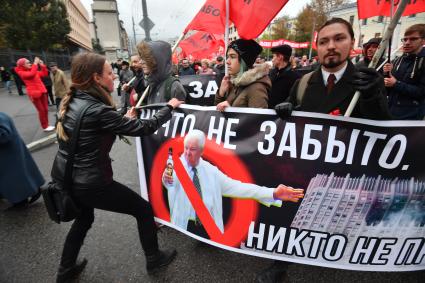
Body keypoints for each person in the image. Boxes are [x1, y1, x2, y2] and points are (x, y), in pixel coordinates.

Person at [260, 18, 392, 283]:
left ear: (351, 43)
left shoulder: (366, 80)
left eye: (339, 38)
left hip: (345, 171)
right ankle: (280, 262)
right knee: (292, 212)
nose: (331, 46)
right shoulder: (304, 81)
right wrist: (286, 111)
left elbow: (383, 130)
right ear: (316, 47)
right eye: (324, 41)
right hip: (305, 168)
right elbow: (292, 111)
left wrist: (371, 96)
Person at [51, 52, 183, 282]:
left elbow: (96, 128)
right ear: (96, 78)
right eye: (110, 73)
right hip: (92, 182)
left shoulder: (74, 100)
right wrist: (169, 108)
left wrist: (123, 118)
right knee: (142, 209)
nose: (115, 78)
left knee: (84, 219)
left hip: (68, 177)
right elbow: (145, 127)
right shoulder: (97, 109)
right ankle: (154, 259)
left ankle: (65, 270)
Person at [162, 129, 304, 237]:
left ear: (201, 151)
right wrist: (166, 179)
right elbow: (169, 183)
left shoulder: (211, 172)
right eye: (186, 148)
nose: (187, 153)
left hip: (206, 226)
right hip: (183, 223)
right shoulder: (175, 165)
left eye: (192, 149)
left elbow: (239, 188)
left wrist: (273, 193)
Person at [0, 112, 42, 210]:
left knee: (15, 178)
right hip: (8, 153)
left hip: (8, 155)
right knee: (20, 175)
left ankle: (21, 201)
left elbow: (5, 135)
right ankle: (32, 190)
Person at [215, 39, 271, 111]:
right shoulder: (233, 82)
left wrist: (232, 111)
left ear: (244, 61)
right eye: (227, 57)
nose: (227, 62)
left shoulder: (256, 88)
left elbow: (258, 120)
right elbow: (217, 115)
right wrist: (221, 94)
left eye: (232, 57)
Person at [383, 24, 425, 120]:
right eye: (405, 39)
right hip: (391, 112)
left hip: (410, 117)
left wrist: (395, 83)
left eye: (413, 39)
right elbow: (389, 89)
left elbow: (421, 92)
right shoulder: (398, 60)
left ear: (423, 41)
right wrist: (386, 75)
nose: (407, 43)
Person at [137, 40, 187, 105]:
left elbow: (180, 114)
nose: (140, 62)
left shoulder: (174, 86)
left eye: (145, 59)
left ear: (157, 60)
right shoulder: (152, 83)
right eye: (141, 58)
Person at [14, 57, 55, 131]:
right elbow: (31, 74)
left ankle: (47, 125)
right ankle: (45, 126)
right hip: (34, 94)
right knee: (41, 110)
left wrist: (42, 65)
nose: (30, 63)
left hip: (42, 91)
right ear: (22, 65)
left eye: (30, 62)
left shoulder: (33, 69)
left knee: (45, 109)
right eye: (28, 62)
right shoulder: (21, 72)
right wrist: (35, 64)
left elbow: (44, 74)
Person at [268, 44, 301, 109]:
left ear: (280, 57)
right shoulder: (272, 73)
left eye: (273, 57)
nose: (272, 60)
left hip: (283, 116)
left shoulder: (295, 77)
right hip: (268, 115)